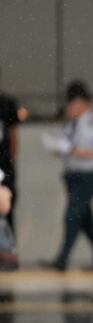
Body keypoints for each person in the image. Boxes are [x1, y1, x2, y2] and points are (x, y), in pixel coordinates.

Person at [41, 81, 93, 271]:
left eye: (73, 103)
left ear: (82, 103)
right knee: (86, 220)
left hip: (87, 176)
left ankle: (62, 259)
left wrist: (70, 149)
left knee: (72, 216)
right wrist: (57, 148)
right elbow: (67, 148)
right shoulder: (72, 124)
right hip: (72, 176)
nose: (70, 107)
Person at [0, 68, 20, 230]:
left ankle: (8, 253)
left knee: (7, 212)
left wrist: (11, 162)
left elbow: (13, 136)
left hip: (4, 166)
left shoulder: (6, 104)